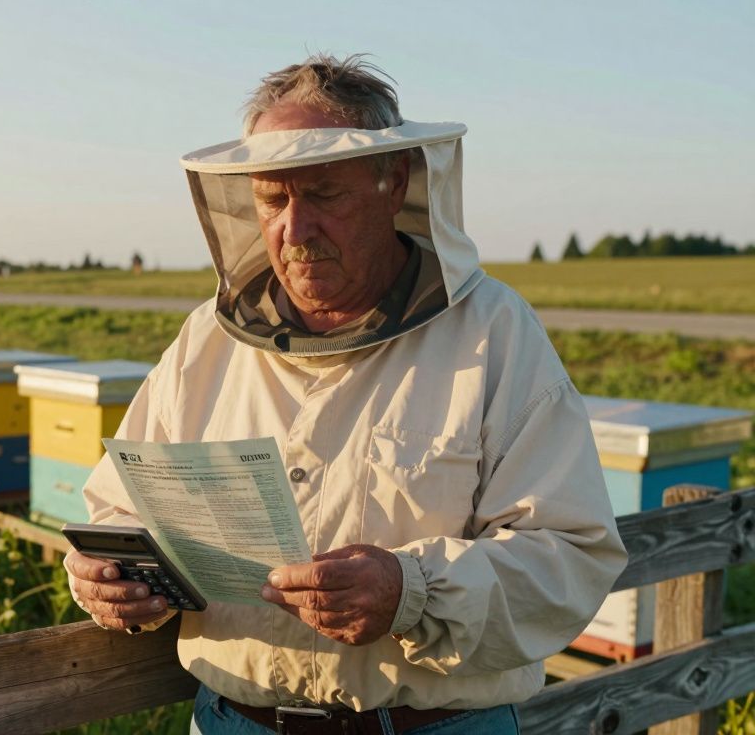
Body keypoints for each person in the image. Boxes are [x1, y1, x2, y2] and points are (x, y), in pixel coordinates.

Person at [64, 54, 627, 734]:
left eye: (325, 194)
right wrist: (107, 575)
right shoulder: (205, 342)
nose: (295, 230)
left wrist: (411, 591)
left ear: (395, 183)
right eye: (273, 200)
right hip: (231, 720)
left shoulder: (493, 333)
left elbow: (569, 555)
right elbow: (120, 509)